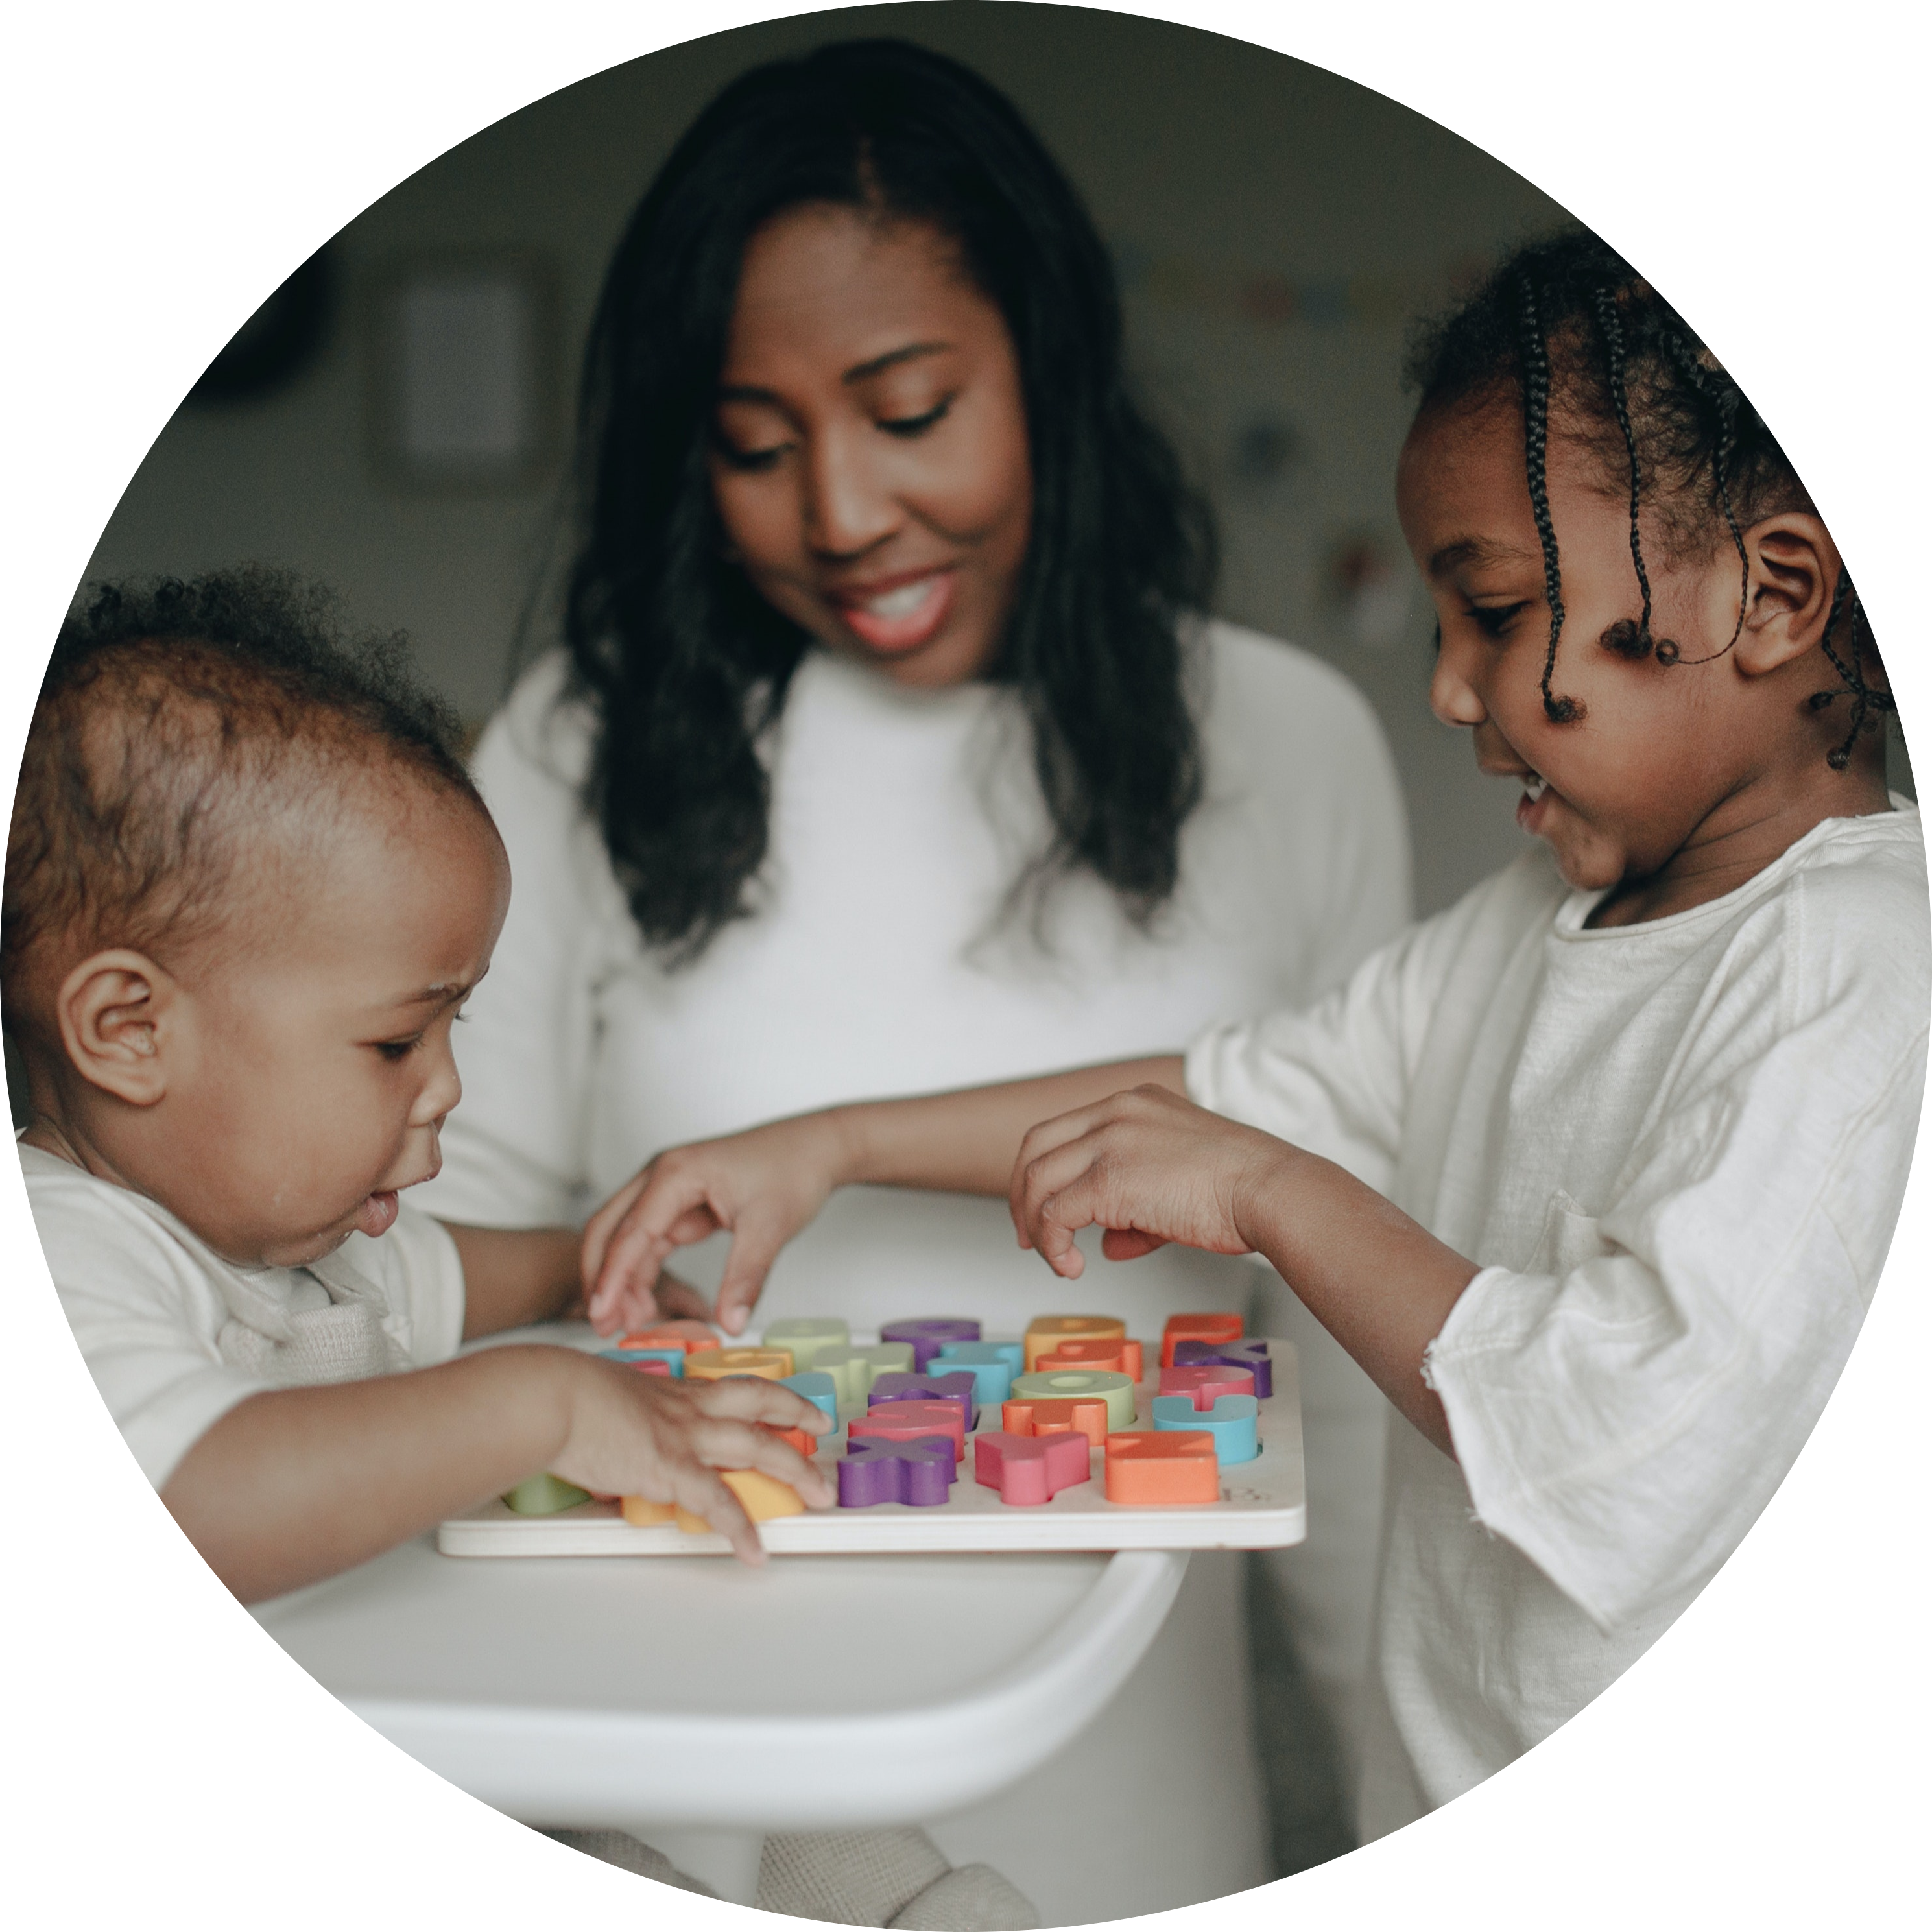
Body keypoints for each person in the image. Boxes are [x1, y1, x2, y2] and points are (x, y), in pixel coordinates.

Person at [584, 231, 1928, 1841]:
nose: (1446, 687)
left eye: (1494, 611)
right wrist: (831, 1142)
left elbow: (1612, 1432)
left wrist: (1279, 1195)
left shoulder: (1855, 971)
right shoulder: (1532, 924)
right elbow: (1214, 1096)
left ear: (1770, 594)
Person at [416, 39, 1410, 1902]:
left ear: (1046, 365)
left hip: (1132, 1784)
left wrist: (1390, 1777)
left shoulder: (1289, 742)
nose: (844, 514)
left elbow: (1351, 1367)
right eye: (754, 443)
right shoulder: (572, 749)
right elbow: (422, 1274)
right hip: (665, 1758)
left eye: (910, 407)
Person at [13, 569, 835, 1604]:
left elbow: (457, 1273)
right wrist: (544, 1404)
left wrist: (593, 1269)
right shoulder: (76, 1252)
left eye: (458, 1024)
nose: (447, 1086)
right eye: (398, 1041)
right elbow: (192, 1494)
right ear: (130, 1030)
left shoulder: (310, 1245)